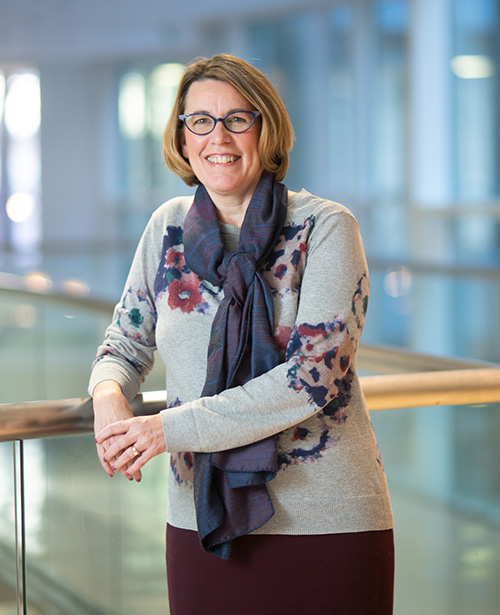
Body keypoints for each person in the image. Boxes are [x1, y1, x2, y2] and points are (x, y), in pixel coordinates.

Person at [91, 54, 394, 615]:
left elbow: (312, 379)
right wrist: (109, 395)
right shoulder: (168, 228)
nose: (218, 137)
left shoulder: (325, 226)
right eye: (199, 121)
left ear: (267, 129)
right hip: (200, 517)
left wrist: (164, 429)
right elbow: (125, 341)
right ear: (181, 138)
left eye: (238, 118)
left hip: (326, 521)